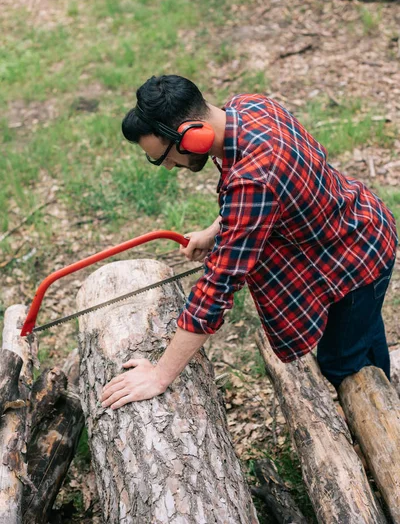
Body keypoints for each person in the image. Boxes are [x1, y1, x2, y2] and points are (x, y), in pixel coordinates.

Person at [100, 74, 398, 410]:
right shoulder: (249, 107)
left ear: (194, 136)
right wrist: (217, 229)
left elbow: (216, 289)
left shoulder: (254, 181)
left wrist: (158, 376)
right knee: (364, 331)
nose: (167, 166)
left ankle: (382, 425)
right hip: (356, 225)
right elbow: (262, 194)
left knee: (342, 361)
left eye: (164, 156)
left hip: (356, 261)